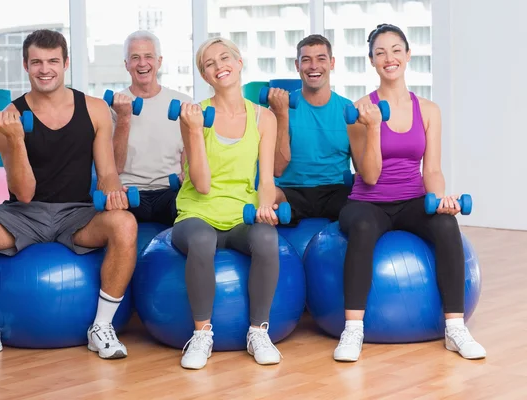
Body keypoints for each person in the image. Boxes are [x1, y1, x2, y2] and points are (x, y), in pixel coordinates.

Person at [0, 29, 138, 362]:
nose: (44, 69)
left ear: (66, 63)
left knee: (125, 224)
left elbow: (106, 172)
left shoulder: (94, 109)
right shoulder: (7, 120)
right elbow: (24, 192)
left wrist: (113, 192)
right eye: (36, 62)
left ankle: (101, 328)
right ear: (25, 65)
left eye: (52, 61)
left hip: (77, 214)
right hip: (22, 214)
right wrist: (16, 140)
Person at [334, 24, 486, 362]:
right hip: (368, 202)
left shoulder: (429, 110)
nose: (389, 58)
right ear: (371, 61)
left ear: (408, 55)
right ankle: (353, 329)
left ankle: (455, 328)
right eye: (380, 52)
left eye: (396, 50)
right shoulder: (359, 111)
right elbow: (369, 175)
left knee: (447, 227)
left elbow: (431, 169)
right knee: (361, 228)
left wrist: (441, 200)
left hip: (413, 199)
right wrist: (373, 127)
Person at [171, 37, 282, 370]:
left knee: (266, 238)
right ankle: (202, 333)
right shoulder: (195, 116)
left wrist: (265, 208)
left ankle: (258, 332)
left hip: (241, 215)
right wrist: (192, 131)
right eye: (209, 63)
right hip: (197, 212)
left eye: (225, 58)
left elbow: (266, 181)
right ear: (205, 76)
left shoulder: (264, 118)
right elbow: (202, 185)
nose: (219, 66)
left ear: (239, 62)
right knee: (202, 240)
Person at [268, 34, 354, 225]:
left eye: (321, 59)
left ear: (331, 63)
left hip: (336, 191)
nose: (313, 66)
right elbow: (277, 169)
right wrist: (282, 114)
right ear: (297, 66)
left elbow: (365, 172)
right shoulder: (278, 108)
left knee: (363, 207)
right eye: (306, 60)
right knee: (267, 196)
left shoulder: (348, 110)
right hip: (291, 191)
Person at [109, 30, 192, 226]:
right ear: (126, 65)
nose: (142, 63)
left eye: (149, 57)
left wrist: (186, 175)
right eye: (135, 58)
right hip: (130, 192)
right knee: (114, 217)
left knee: (193, 215)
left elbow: (187, 157)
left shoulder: (182, 103)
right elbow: (115, 167)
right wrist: (123, 118)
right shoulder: (112, 107)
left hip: (170, 191)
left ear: (159, 61)